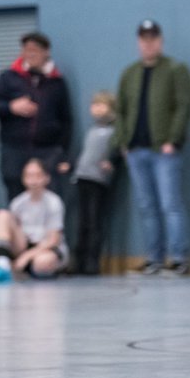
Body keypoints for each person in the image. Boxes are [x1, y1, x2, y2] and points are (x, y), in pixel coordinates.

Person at [113, 19, 190, 275]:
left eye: (153, 38)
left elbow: (184, 105)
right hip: (136, 150)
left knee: (170, 204)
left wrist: (173, 139)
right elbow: (121, 110)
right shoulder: (130, 73)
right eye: (144, 39)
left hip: (163, 151)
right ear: (139, 42)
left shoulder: (175, 69)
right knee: (146, 206)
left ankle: (179, 258)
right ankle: (154, 259)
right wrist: (123, 142)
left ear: (160, 40)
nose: (148, 43)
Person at [0, 32, 73, 198]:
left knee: (50, 197)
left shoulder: (57, 82)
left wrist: (62, 152)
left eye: (35, 50)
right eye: (26, 50)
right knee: (16, 196)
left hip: (48, 151)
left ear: (46, 52)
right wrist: (11, 107)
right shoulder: (8, 77)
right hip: (14, 150)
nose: (30, 54)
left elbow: (66, 120)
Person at [0, 159, 68, 283]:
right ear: (23, 179)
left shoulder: (54, 202)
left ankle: (21, 270)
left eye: (38, 176)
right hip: (23, 244)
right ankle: (2, 263)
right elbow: (10, 231)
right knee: (2, 214)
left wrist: (27, 256)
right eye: (29, 176)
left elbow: (54, 240)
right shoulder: (18, 202)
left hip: (45, 247)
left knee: (42, 263)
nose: (33, 180)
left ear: (46, 178)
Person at [71, 91, 117, 276]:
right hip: (83, 177)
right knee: (82, 222)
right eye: (94, 105)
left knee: (94, 221)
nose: (97, 109)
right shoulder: (92, 130)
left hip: (98, 180)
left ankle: (92, 261)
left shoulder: (113, 131)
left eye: (101, 105)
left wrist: (111, 162)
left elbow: (116, 153)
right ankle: (79, 261)